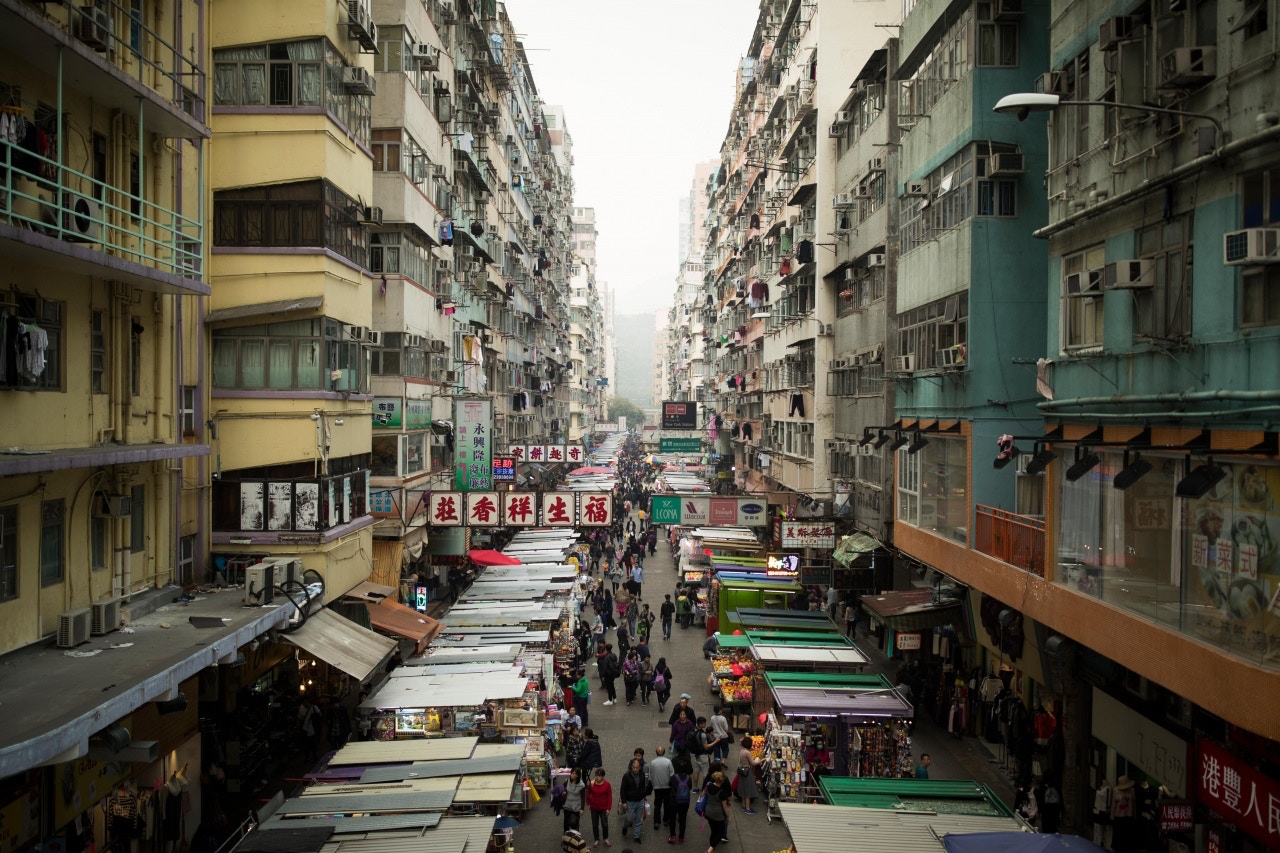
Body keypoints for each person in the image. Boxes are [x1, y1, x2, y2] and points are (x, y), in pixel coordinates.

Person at [619, 757, 652, 845]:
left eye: (637, 768)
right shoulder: (627, 776)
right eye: (634, 767)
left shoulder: (642, 774)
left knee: (639, 819)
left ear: (640, 767)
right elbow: (623, 789)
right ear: (631, 767)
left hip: (640, 800)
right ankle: (625, 826)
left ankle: (636, 836)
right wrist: (624, 802)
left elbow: (643, 787)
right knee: (629, 817)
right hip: (630, 801)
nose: (635, 769)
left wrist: (644, 796)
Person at [702, 769, 733, 851]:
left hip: (708, 812)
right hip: (717, 815)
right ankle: (710, 849)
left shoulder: (708, 786)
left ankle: (711, 847)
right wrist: (728, 817)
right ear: (722, 781)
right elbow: (725, 807)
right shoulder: (722, 793)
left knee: (713, 831)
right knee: (720, 833)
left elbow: (703, 795)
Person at [667, 752, 694, 844]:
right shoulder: (688, 778)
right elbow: (689, 787)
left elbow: (670, 785)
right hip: (684, 801)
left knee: (672, 818)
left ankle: (672, 836)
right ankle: (681, 837)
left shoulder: (674, 777)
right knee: (683, 819)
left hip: (673, 800)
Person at [586, 767, 614, 848]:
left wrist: (608, 808)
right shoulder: (592, 784)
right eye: (596, 775)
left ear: (603, 776)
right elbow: (588, 793)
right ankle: (596, 839)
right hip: (594, 807)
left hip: (603, 808)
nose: (597, 777)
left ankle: (605, 838)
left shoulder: (607, 785)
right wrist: (588, 803)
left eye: (599, 776)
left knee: (604, 824)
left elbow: (609, 797)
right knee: (595, 824)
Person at [649, 745, 674, 833]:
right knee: (666, 804)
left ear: (656, 753)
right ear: (664, 752)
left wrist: (653, 783)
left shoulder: (653, 762)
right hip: (667, 786)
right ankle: (666, 820)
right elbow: (672, 774)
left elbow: (651, 774)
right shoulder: (668, 762)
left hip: (657, 787)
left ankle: (656, 821)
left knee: (657, 804)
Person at [736, 735, 761, 814]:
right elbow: (753, 763)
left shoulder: (742, 751)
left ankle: (743, 806)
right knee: (748, 790)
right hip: (747, 771)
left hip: (742, 771)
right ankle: (748, 808)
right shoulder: (747, 752)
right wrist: (757, 760)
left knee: (743, 789)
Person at [687, 717, 712, 787]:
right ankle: (704, 788)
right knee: (705, 773)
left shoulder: (693, 730)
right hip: (703, 755)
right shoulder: (702, 734)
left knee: (696, 771)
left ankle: (695, 787)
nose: (705, 724)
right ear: (701, 724)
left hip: (697, 754)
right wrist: (716, 741)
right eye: (704, 723)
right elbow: (706, 747)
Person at [563, 767, 587, 832]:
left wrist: (582, 809)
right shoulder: (567, 781)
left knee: (574, 823)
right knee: (566, 823)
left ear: (577, 775)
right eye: (572, 773)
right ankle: (566, 836)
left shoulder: (581, 785)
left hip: (576, 806)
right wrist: (564, 792)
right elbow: (563, 788)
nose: (572, 775)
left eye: (574, 774)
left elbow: (583, 797)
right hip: (567, 805)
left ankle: (574, 836)